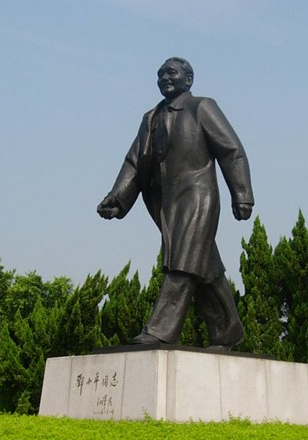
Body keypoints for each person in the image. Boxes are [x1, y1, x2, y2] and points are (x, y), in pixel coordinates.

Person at [97, 57, 254, 351]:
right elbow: (134, 162)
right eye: (160, 75)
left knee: (182, 262)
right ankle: (228, 330)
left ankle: (160, 331)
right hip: (165, 202)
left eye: (171, 73)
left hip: (197, 195)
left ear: (188, 79)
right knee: (203, 264)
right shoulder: (150, 118)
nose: (164, 79)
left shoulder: (202, 107)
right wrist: (117, 198)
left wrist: (242, 194)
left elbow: (231, 150)